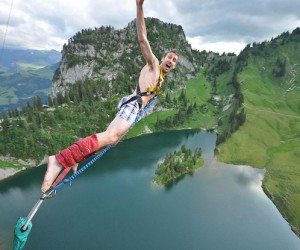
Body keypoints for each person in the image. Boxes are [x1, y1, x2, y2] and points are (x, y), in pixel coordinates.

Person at [41, 0, 179, 193]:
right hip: (132, 106)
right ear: (163, 58)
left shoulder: (161, 77)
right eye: (169, 57)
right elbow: (142, 39)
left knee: (111, 141)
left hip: (132, 106)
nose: (171, 61)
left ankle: (74, 157)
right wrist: (139, 6)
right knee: (111, 136)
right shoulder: (154, 64)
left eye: (174, 61)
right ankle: (59, 160)